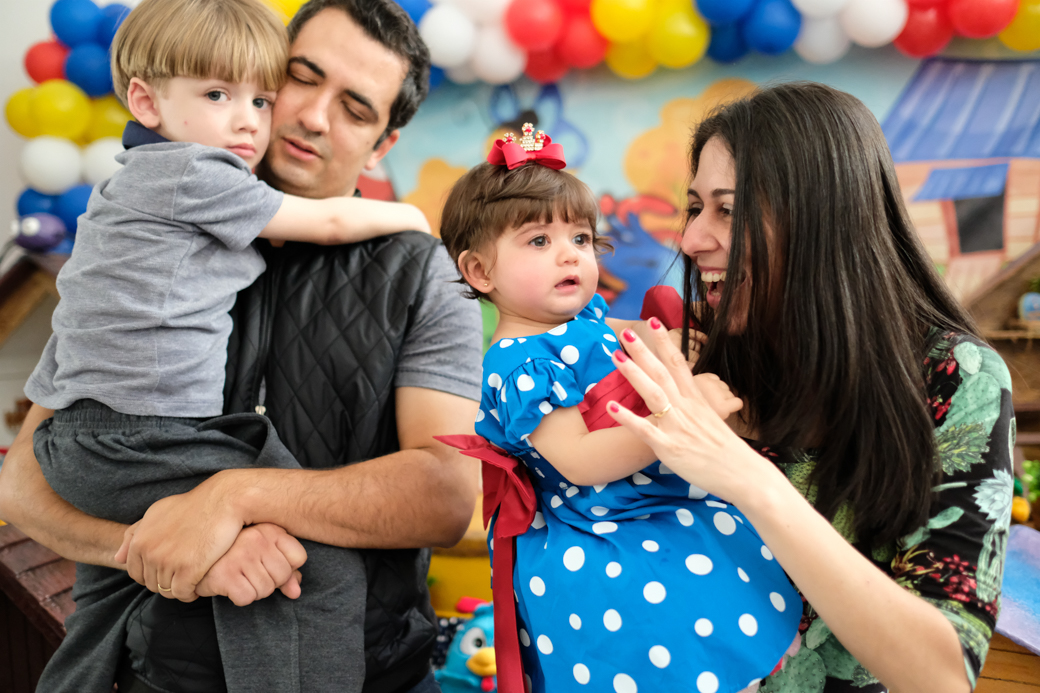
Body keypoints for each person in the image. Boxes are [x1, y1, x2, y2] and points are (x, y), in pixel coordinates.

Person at [0, 1, 483, 692]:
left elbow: (444, 493)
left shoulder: (421, 274)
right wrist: (164, 549)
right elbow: (27, 477)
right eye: (299, 78)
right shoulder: (151, 233)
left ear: (382, 146)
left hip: (367, 669)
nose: (313, 116)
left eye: (353, 107)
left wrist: (234, 497)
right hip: (154, 669)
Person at [601, 82, 1015, 693]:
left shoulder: (953, 377)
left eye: (729, 210)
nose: (691, 240)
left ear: (824, 219)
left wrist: (746, 476)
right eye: (694, 208)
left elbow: (942, 674)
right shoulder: (695, 356)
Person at [436, 134, 802, 693]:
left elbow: (631, 338)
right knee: (660, 641)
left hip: (651, 504)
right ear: (481, 272)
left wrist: (672, 345)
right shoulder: (516, 364)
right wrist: (680, 421)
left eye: (580, 238)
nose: (570, 255)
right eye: (538, 240)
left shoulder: (582, 326)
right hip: (607, 529)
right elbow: (580, 459)